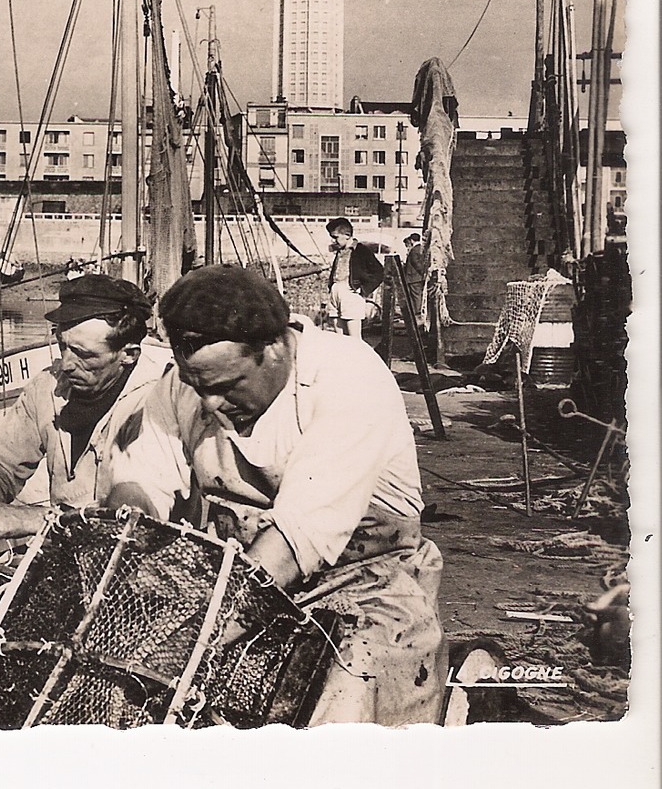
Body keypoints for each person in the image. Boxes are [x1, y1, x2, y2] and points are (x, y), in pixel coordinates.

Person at [105, 264, 446, 726]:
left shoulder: (348, 376)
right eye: (197, 387)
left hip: (366, 580)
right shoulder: (186, 386)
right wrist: (127, 537)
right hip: (231, 572)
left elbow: (294, 538)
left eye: (225, 387)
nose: (209, 405)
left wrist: (196, 640)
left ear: (276, 347)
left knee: (344, 700)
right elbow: (138, 482)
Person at [0, 273, 169, 545]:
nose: (66, 364)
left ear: (129, 354)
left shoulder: (156, 404)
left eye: (84, 354)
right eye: (62, 346)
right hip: (69, 559)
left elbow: (134, 517)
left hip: (140, 567)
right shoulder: (48, 388)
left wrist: (31, 519)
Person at [325, 217, 385, 338]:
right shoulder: (340, 251)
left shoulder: (361, 250)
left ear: (347, 235)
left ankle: (357, 357)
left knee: (354, 338)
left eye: (335, 237)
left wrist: (363, 289)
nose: (333, 240)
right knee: (339, 337)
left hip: (351, 293)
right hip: (336, 292)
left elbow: (379, 272)